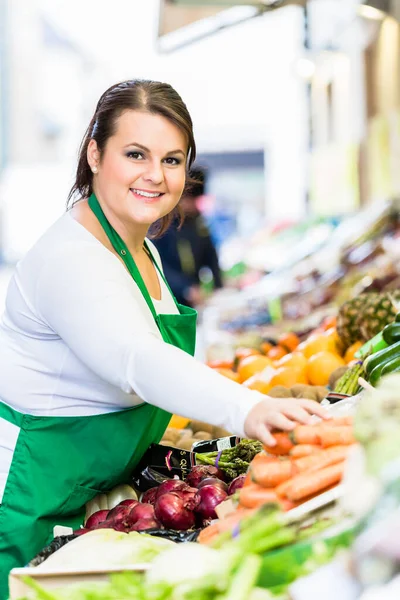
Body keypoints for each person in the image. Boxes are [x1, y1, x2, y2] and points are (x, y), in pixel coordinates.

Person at [0, 79, 328, 596]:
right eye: (136, 154)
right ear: (94, 153)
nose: (156, 175)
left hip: (91, 493)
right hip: (33, 500)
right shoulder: (70, 259)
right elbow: (137, 358)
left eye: (172, 160)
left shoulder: (140, 246)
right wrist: (248, 408)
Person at [153, 166, 222, 307]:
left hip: (194, 297)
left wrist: (218, 284)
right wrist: (185, 288)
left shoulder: (197, 222)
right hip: (169, 297)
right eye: (189, 200)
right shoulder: (160, 225)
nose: (193, 206)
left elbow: (210, 254)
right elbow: (157, 264)